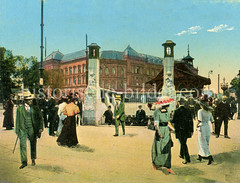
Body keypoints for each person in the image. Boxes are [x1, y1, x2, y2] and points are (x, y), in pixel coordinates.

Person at [15, 96, 44, 169]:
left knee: (33, 143)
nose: (31, 101)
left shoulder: (35, 108)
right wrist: (17, 129)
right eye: (29, 100)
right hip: (23, 129)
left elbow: (40, 118)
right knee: (22, 145)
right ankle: (24, 162)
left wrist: (40, 127)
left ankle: (33, 158)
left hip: (32, 128)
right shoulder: (19, 109)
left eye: (31, 100)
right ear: (25, 101)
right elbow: (17, 120)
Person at [151, 97, 175, 174]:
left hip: (166, 131)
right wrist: (159, 134)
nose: (168, 107)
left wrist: (173, 129)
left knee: (167, 148)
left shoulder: (168, 112)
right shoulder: (157, 112)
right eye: (168, 105)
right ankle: (156, 163)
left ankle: (168, 166)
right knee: (158, 148)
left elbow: (167, 123)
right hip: (160, 130)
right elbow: (156, 125)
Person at [172, 99, 193, 164]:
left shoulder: (176, 111)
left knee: (183, 143)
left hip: (179, 130)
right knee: (184, 141)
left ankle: (187, 158)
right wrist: (191, 130)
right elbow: (191, 121)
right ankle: (181, 154)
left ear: (179, 103)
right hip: (187, 129)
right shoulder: (188, 111)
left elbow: (173, 121)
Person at [196, 97, 214, 165]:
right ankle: (200, 155)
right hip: (207, 127)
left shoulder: (200, 111)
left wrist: (196, 125)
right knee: (206, 141)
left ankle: (209, 156)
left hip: (202, 127)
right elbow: (212, 121)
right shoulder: (209, 112)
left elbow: (199, 120)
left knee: (202, 142)